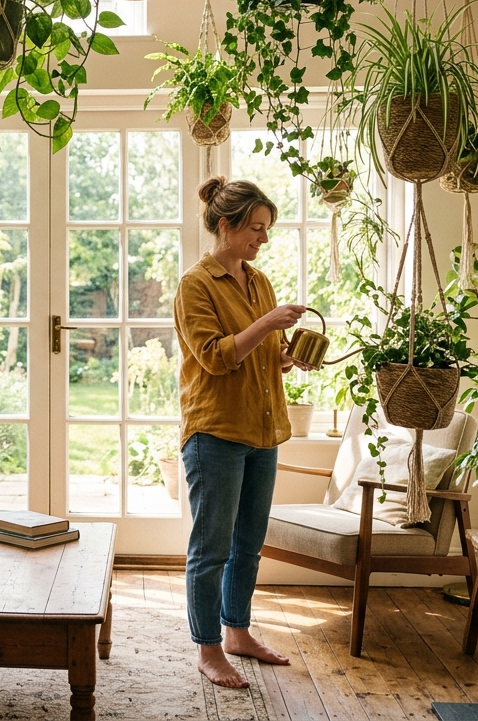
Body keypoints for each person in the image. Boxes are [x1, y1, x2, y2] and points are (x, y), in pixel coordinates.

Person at [173, 176, 312, 689]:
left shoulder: (259, 282)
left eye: (266, 228)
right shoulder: (196, 284)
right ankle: (208, 648)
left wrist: (287, 356)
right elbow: (214, 356)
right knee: (211, 549)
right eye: (255, 228)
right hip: (215, 432)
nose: (263, 238)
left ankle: (237, 632)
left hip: (262, 429)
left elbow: (261, 355)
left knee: (248, 543)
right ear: (225, 225)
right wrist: (268, 324)